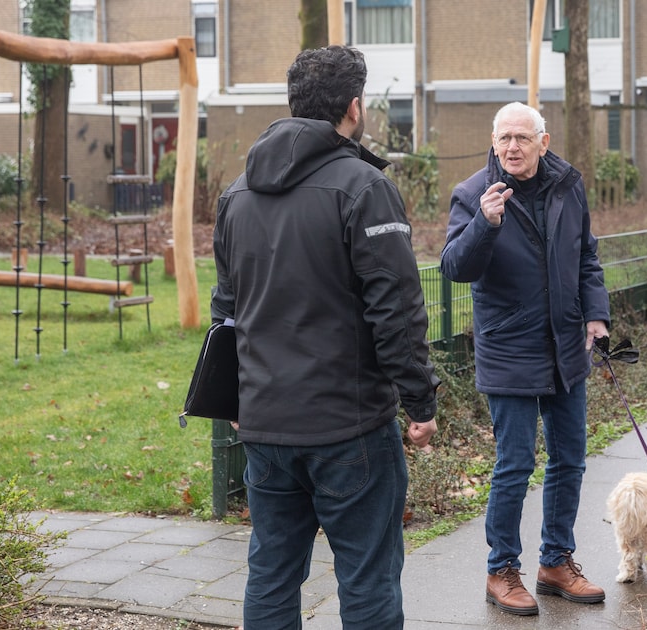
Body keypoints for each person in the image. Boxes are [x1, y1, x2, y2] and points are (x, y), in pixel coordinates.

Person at [211, 45, 440, 630]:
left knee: (270, 573)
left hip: (264, 427)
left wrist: (232, 402)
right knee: (366, 578)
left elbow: (226, 312)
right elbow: (397, 310)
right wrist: (420, 401)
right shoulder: (363, 187)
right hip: (350, 429)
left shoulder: (236, 195)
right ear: (355, 109)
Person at [440, 101, 611, 616]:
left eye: (522, 137)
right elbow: (454, 268)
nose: (512, 147)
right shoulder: (474, 194)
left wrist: (596, 315)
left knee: (570, 460)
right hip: (509, 346)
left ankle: (556, 562)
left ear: (544, 140)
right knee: (515, 466)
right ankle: (502, 570)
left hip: (566, 345)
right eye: (504, 138)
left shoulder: (567, 185)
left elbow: (586, 255)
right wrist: (484, 225)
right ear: (493, 142)